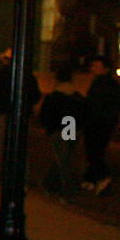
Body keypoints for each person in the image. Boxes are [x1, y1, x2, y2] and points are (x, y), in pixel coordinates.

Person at [0, 47, 41, 184]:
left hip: (1, 115)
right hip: (21, 116)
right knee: (20, 148)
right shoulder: (27, 75)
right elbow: (36, 95)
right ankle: (21, 180)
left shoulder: (1, 74)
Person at [38, 65, 85, 199]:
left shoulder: (55, 97)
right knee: (64, 158)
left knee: (62, 161)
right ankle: (50, 185)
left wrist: (49, 128)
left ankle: (66, 191)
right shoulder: (76, 97)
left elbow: (46, 115)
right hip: (72, 128)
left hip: (59, 130)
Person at [82, 56, 119, 195]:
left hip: (99, 123)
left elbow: (97, 105)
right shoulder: (104, 83)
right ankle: (91, 179)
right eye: (93, 65)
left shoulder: (105, 84)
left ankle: (102, 176)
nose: (93, 68)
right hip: (102, 123)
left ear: (105, 68)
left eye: (97, 66)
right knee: (95, 150)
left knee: (93, 151)